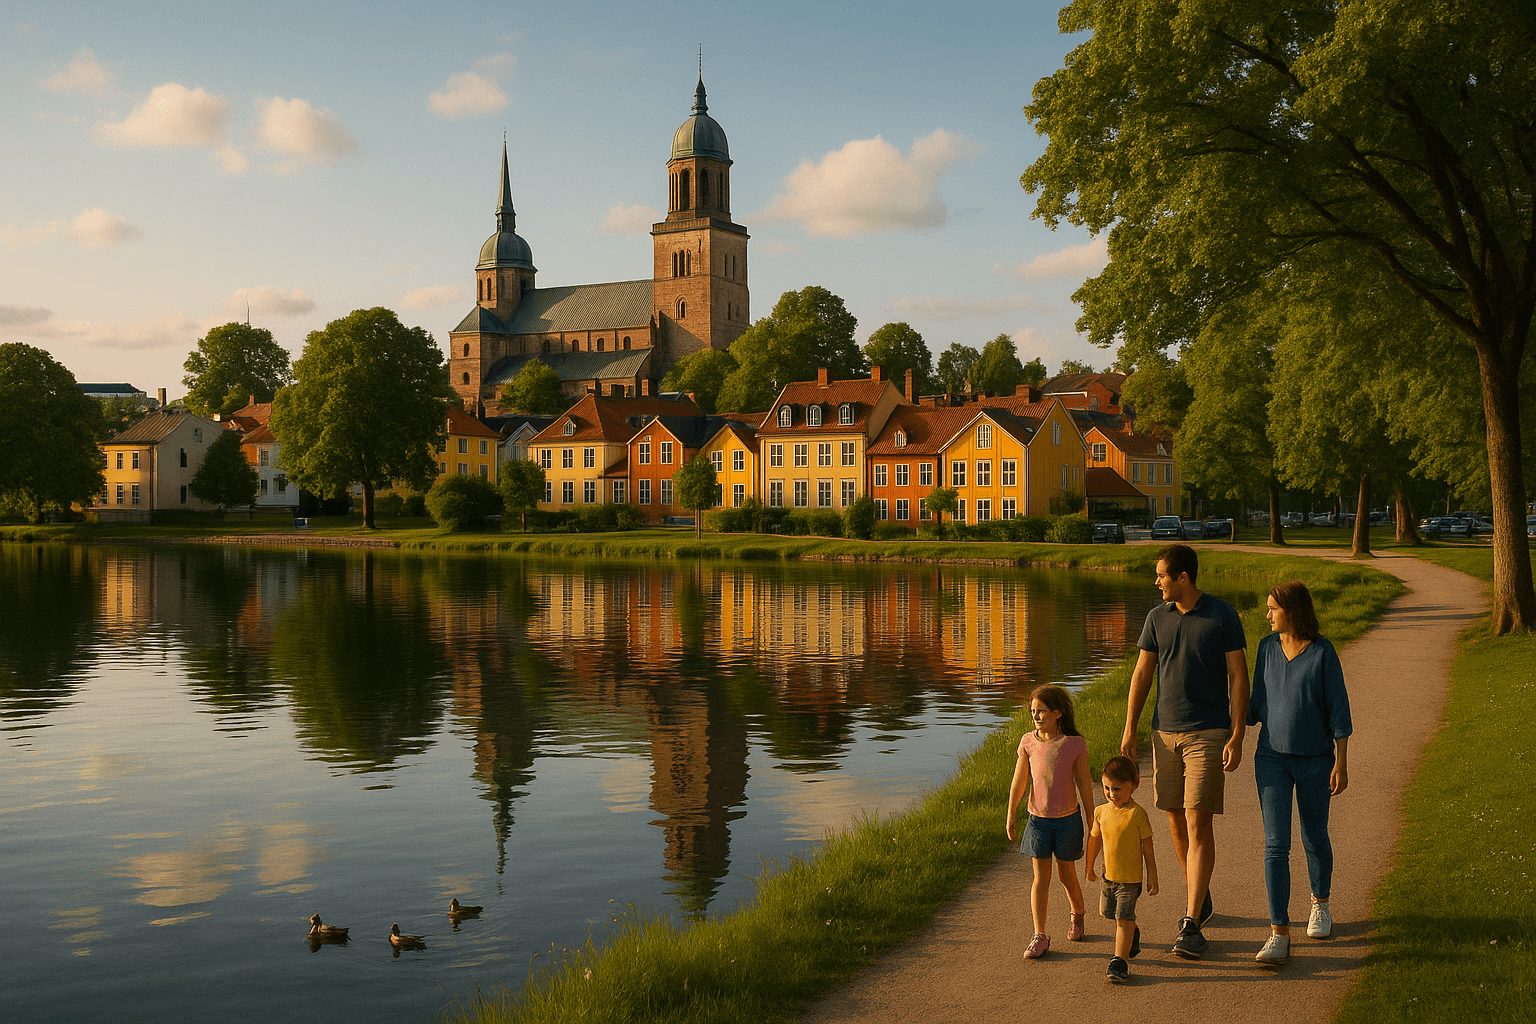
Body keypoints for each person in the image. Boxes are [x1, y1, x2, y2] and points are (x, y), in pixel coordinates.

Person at [1121, 543, 1248, 959]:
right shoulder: (1156, 618)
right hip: (1164, 733)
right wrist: (1130, 729)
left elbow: (1238, 676)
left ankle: (1191, 923)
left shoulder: (1222, 615)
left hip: (1206, 733)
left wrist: (1236, 734)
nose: (1156, 581)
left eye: (1161, 575)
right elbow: (1143, 673)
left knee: (1197, 821)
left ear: (1183, 577)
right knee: (1174, 818)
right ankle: (1200, 891)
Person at [1247, 580, 1352, 966]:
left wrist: (1341, 761)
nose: (1267, 615)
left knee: (1314, 836)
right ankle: (1279, 933)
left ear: (1292, 611)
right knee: (1276, 845)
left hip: (1316, 760)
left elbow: (1339, 708)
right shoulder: (1266, 648)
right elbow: (1255, 702)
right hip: (1271, 759)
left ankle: (1320, 904)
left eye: (1273, 608)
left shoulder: (1322, 652)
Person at [1006, 684, 1096, 959]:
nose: (1036, 716)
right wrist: (1011, 814)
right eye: (1033, 711)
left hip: (1067, 820)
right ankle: (1039, 935)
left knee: (1066, 876)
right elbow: (1019, 781)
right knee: (1040, 879)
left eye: (1041, 711)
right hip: (1038, 821)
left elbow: (1084, 784)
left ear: (1058, 713)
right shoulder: (1028, 742)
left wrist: (1092, 819)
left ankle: (1077, 914)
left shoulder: (1074, 744)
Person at [1085, 755, 1159, 983]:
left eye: (1117, 789)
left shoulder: (1137, 814)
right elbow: (1095, 840)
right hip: (1108, 878)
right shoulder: (1101, 812)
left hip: (1130, 881)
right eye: (1107, 788)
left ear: (1133, 786)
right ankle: (1131, 931)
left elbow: (1148, 848)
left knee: (1122, 918)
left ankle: (1120, 962)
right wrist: (1089, 867)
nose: (1111, 794)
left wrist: (1152, 875)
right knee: (1108, 913)